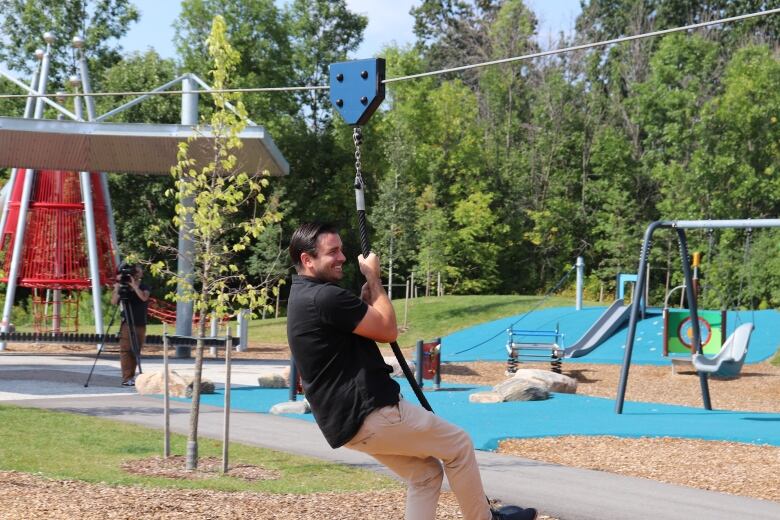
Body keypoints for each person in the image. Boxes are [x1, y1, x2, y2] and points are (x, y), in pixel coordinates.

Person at [286, 222, 537, 520]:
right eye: (333, 251)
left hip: (347, 425)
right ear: (307, 259)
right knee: (459, 446)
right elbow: (388, 330)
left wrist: (368, 300)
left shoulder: (303, 298)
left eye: (341, 249)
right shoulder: (325, 297)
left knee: (426, 474)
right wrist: (374, 278)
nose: (343, 257)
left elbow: (361, 329)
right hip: (373, 412)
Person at [110, 264, 150, 387]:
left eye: (138, 271)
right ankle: (127, 378)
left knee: (135, 350)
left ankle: (134, 376)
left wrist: (134, 286)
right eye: (137, 271)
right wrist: (117, 288)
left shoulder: (144, 286)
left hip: (140, 323)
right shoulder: (123, 287)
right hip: (127, 323)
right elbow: (113, 302)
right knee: (125, 350)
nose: (139, 273)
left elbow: (144, 298)